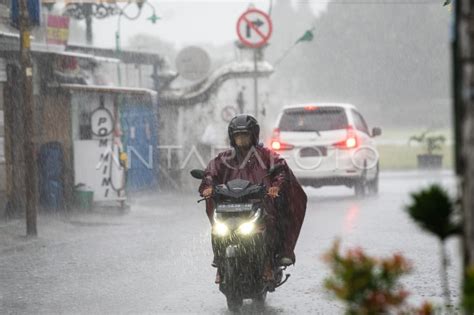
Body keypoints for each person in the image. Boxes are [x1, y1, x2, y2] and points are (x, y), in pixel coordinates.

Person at [198, 114, 307, 282]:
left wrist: (275, 187)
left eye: (245, 135)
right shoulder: (224, 159)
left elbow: (281, 171)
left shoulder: (267, 156)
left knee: (270, 223)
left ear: (253, 135)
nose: (241, 139)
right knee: (217, 227)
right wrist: (208, 187)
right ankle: (220, 262)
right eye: (238, 135)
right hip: (230, 207)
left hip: (259, 205)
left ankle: (268, 265)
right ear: (232, 137)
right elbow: (210, 173)